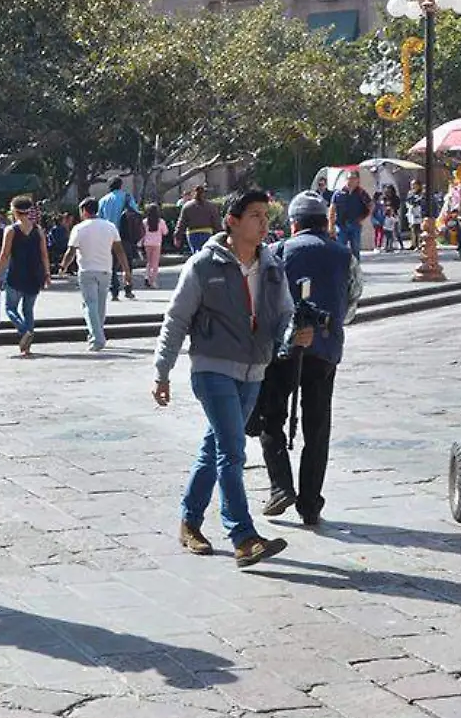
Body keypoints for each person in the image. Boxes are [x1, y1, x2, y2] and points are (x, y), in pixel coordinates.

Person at [153, 189, 309, 568]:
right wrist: (162, 371)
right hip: (213, 368)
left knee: (215, 447)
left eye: (265, 215)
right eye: (254, 215)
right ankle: (242, 535)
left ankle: (189, 522)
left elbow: (285, 313)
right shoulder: (203, 266)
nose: (263, 222)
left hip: (254, 370)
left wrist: (294, 335)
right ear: (232, 222)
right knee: (233, 450)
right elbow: (176, 319)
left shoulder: (271, 265)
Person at [251, 192, 351, 526]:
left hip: (282, 352)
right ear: (325, 221)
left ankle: (281, 485)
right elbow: (351, 303)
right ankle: (310, 503)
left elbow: (262, 301)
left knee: (271, 417)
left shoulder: (278, 252)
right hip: (324, 351)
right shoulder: (344, 255)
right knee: (317, 427)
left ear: (293, 223)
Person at [61, 197, 131, 351]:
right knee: (100, 305)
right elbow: (119, 250)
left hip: (86, 269)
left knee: (90, 304)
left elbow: (71, 251)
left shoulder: (79, 228)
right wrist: (126, 270)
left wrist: (63, 266)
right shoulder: (110, 226)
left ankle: (97, 338)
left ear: (84, 211)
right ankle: (96, 333)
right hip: (105, 269)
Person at [0, 195, 51, 356]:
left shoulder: (11, 230)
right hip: (35, 274)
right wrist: (47, 273)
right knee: (28, 310)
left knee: (10, 308)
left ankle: (24, 330)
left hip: (16, 274)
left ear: (15, 212)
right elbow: (44, 254)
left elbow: (4, 255)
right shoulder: (38, 230)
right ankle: (27, 346)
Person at [329, 170, 371, 258]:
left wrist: (363, 217)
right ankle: (341, 270)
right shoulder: (338, 193)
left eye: (353, 178)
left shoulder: (361, 193)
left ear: (358, 180)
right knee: (340, 249)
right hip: (341, 225)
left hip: (355, 225)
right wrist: (331, 227)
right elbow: (332, 209)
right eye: (349, 178)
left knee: (355, 250)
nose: (350, 180)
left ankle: (355, 270)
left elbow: (371, 205)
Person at [177, 184, 220, 254]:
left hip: (192, 233)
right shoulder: (211, 206)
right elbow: (216, 221)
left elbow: (182, 222)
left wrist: (178, 236)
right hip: (207, 232)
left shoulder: (187, 206)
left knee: (195, 253)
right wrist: (220, 234)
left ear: (194, 193)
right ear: (204, 193)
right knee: (206, 253)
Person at [140, 205, 167, 289]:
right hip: (157, 243)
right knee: (155, 264)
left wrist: (140, 243)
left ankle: (147, 277)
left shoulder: (145, 222)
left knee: (148, 262)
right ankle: (153, 281)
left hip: (147, 243)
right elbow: (165, 232)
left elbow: (142, 233)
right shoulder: (161, 221)